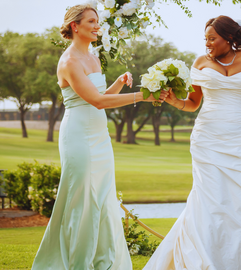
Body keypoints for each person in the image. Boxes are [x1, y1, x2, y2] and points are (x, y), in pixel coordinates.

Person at [31, 4, 167, 270]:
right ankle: (77, 264)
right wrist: (143, 95)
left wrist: (117, 82)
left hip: (100, 136)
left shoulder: (92, 57)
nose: (97, 26)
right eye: (91, 21)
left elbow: (101, 95)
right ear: (75, 26)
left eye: (97, 21)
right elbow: (96, 101)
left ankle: (104, 263)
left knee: (103, 199)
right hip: (79, 136)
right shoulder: (69, 62)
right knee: (82, 200)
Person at [143, 15, 241, 270]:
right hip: (207, 139)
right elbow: (194, 103)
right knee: (209, 201)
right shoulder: (200, 63)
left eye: (212, 38)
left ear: (229, 38)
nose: (207, 43)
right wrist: (174, 101)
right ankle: (205, 261)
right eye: (205, 38)